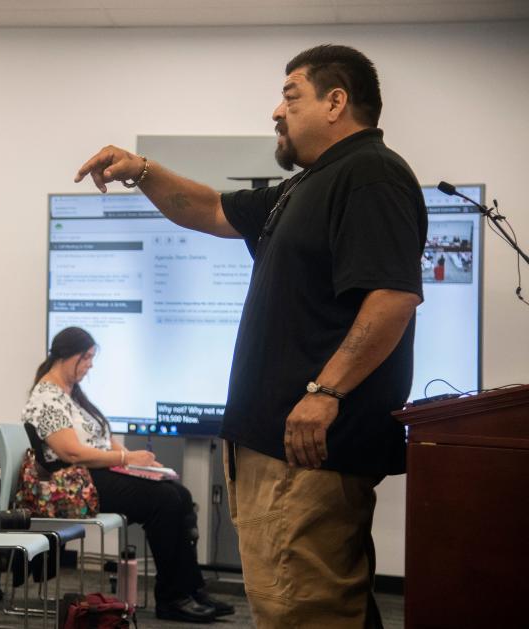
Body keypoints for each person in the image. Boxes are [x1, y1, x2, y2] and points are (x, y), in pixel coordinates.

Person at [75, 44, 425, 629]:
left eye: (291, 96)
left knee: (302, 611)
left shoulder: (371, 175)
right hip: (276, 449)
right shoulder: (307, 185)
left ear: (336, 102)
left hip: (307, 452)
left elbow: (391, 297)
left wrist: (325, 393)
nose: (276, 112)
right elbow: (209, 209)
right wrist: (142, 169)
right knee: (298, 604)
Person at [23, 327, 232, 624]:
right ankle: (172, 598)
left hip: (94, 476)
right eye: (87, 358)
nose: (90, 365)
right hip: (74, 484)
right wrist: (127, 458)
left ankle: (191, 588)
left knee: (179, 494)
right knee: (164, 501)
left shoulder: (70, 394)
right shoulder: (46, 397)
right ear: (69, 356)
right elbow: (72, 453)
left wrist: (140, 465)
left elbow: (103, 440)